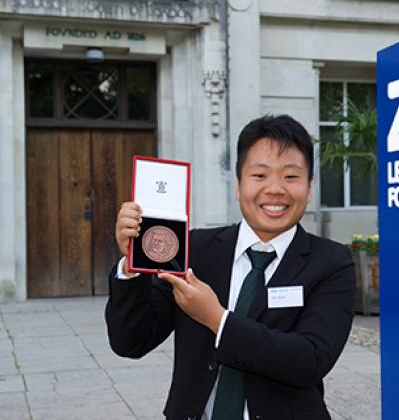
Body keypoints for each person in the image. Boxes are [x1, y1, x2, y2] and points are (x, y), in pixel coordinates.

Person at [106, 114, 356, 420]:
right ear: (238, 185)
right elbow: (131, 341)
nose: (275, 189)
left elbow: (310, 360)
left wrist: (216, 319)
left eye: (291, 177)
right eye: (260, 176)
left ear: (309, 186)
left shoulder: (332, 262)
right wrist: (131, 266)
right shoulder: (195, 249)